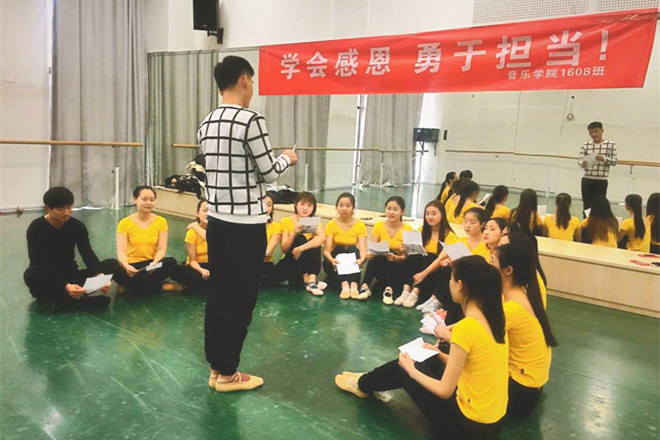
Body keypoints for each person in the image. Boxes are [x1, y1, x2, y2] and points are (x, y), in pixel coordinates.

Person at [198, 56, 297, 392]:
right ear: (243, 79)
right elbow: (269, 172)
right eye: (252, 81)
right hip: (246, 225)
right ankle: (228, 374)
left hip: (217, 222)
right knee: (241, 299)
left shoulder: (207, 122)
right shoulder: (251, 120)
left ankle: (217, 367)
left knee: (219, 295)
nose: (252, 87)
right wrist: (287, 158)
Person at [335, 256, 508, 440]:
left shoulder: (466, 328)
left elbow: (445, 390)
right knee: (428, 356)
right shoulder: (493, 320)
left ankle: (362, 384)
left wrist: (410, 370)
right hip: (490, 425)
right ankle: (367, 379)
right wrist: (440, 355)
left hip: (467, 429)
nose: (449, 284)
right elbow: (475, 365)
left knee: (407, 366)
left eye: (451, 279)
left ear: (460, 285)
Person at [23, 187, 118, 310]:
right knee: (32, 273)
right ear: (48, 209)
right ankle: (75, 301)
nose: (67, 213)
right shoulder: (36, 228)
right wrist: (65, 286)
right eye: (61, 209)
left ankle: (68, 301)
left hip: (72, 276)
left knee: (112, 264)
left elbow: (87, 253)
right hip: (49, 279)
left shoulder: (77, 226)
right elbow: (40, 262)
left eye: (69, 207)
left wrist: (99, 276)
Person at [492, 239, 557, 418]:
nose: (488, 268)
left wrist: (446, 334)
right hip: (530, 385)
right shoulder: (523, 294)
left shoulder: (513, 308)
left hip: (520, 390)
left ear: (508, 270)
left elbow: (480, 338)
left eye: (492, 262)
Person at [414, 208, 490, 319]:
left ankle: (443, 307)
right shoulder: (461, 241)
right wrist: (424, 273)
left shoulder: (487, 244)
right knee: (447, 268)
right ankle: (435, 300)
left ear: (482, 224)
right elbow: (441, 257)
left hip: (475, 279)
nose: (467, 225)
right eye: (465, 221)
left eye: (472, 222)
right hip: (458, 277)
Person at [114, 186, 179, 294]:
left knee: (171, 262)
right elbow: (121, 252)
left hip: (151, 265)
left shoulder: (161, 222)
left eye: (152, 200)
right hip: (132, 266)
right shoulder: (124, 223)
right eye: (144, 199)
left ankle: (132, 288)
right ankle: (159, 287)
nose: (148, 203)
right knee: (114, 268)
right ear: (135, 200)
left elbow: (162, 249)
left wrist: (155, 263)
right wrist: (126, 266)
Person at [360, 196, 413, 304]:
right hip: (381, 267)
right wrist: (369, 254)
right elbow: (373, 248)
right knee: (376, 255)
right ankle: (365, 286)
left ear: (402, 211)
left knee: (391, 252)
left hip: (398, 269)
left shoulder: (408, 229)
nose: (391, 212)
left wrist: (396, 257)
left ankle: (389, 289)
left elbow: (406, 258)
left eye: (395, 209)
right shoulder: (379, 226)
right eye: (389, 209)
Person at [277, 192, 327, 295]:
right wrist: (293, 233)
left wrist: (301, 249)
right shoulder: (286, 221)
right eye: (302, 204)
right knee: (300, 238)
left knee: (314, 241)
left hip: (306, 262)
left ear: (313, 208)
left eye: (309, 205)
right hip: (291, 261)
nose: (305, 208)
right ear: (296, 205)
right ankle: (307, 280)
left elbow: (322, 238)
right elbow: (284, 249)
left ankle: (311, 281)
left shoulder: (313, 222)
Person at [322, 193, 367, 299]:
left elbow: (363, 249)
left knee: (353, 249)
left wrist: (362, 260)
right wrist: (331, 260)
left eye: (348, 206)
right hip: (335, 259)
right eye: (341, 205)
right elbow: (326, 251)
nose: (344, 208)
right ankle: (345, 284)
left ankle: (354, 285)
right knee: (340, 248)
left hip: (351, 259)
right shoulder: (331, 225)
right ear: (336, 207)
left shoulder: (360, 225)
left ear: (353, 208)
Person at [578, 121, 617, 214]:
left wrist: (603, 158)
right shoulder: (585, 145)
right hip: (587, 179)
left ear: (602, 131)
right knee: (587, 205)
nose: (594, 134)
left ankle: (598, 222)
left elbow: (614, 161)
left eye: (596, 131)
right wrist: (582, 163)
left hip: (601, 180)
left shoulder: (610, 145)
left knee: (600, 206)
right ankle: (586, 222)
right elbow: (580, 160)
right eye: (591, 132)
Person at [172, 200, 211, 294]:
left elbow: (212, 239)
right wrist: (201, 270)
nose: (208, 214)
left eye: (211, 211)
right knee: (174, 268)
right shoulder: (192, 233)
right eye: (204, 210)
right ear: (198, 213)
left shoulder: (219, 230)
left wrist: (195, 226)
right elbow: (192, 261)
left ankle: (193, 287)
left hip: (212, 265)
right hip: (197, 267)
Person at [260, 194, 282, 285]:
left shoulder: (275, 226)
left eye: (269, 205)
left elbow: (268, 252)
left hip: (264, 265)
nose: (265, 208)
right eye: (262, 204)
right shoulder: (247, 224)